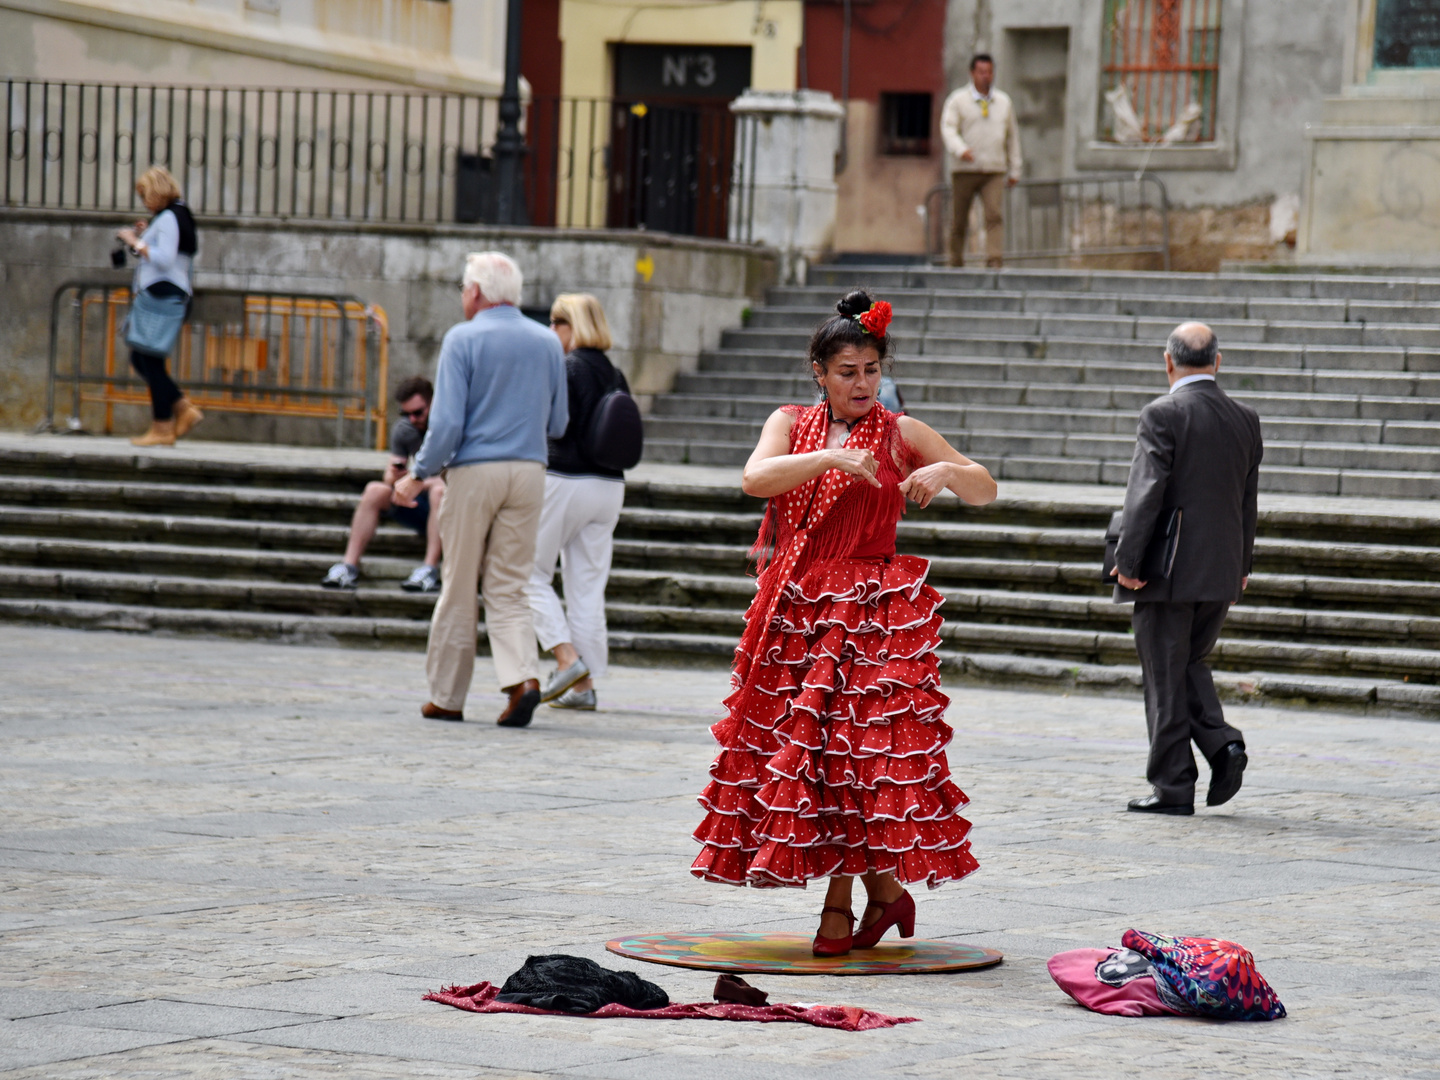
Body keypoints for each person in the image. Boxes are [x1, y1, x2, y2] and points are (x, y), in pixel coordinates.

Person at [690, 289, 998, 958]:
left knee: (859, 759)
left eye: (872, 371)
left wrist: (945, 470)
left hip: (872, 612)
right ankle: (883, 896)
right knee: (821, 761)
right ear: (820, 374)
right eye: (848, 372)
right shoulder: (791, 421)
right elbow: (755, 478)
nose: (862, 384)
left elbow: (987, 486)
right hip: (799, 609)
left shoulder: (900, 431)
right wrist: (831, 457)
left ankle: (845, 904)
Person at [394, 252, 568, 728]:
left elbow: (446, 422)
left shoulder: (462, 338)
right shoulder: (547, 341)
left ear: (475, 292)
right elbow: (559, 422)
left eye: (462, 289)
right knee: (510, 585)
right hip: (530, 469)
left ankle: (448, 696)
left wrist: (418, 471)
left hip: (475, 471)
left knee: (459, 583)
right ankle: (523, 679)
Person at [1110, 322, 1263, 816]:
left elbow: (1145, 492)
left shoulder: (1164, 413)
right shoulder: (1245, 417)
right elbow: (1247, 501)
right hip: (1220, 571)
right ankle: (1222, 747)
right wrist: (1241, 566)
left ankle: (1174, 785)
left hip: (1167, 571)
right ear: (1217, 362)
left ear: (1168, 361)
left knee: (1163, 674)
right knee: (1188, 665)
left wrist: (1128, 563)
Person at [527, 294, 629, 712]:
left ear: (575, 325)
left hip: (564, 478)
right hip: (608, 486)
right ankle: (583, 687)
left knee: (525, 574)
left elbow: (556, 424)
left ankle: (567, 661)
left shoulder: (568, 367)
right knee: (586, 587)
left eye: (557, 321)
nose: (551, 330)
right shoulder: (615, 372)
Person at [321, 376, 447, 593]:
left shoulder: (448, 427)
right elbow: (389, 478)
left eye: (418, 412)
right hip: (416, 502)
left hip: (447, 506)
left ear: (433, 403)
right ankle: (348, 566)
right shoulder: (404, 430)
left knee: (439, 491)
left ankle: (430, 569)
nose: (412, 418)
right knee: (374, 490)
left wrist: (416, 482)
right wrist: (397, 474)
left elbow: (452, 479)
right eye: (406, 413)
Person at [116, 166, 203, 446]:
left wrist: (133, 241)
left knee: (148, 359)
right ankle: (179, 409)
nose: (145, 203)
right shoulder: (177, 214)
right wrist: (146, 234)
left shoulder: (168, 218)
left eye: (145, 196)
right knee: (142, 358)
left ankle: (164, 426)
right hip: (168, 295)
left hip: (162, 296)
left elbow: (164, 259)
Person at [940, 54, 1023, 268]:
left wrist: (1015, 168)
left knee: (994, 215)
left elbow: (1012, 136)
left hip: (994, 168)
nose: (986, 76)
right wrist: (960, 150)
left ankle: (994, 260)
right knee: (959, 219)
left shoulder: (1003, 102)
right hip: (965, 169)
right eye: (981, 72)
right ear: (972, 73)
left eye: (989, 72)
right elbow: (948, 128)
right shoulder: (958, 100)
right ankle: (955, 260)